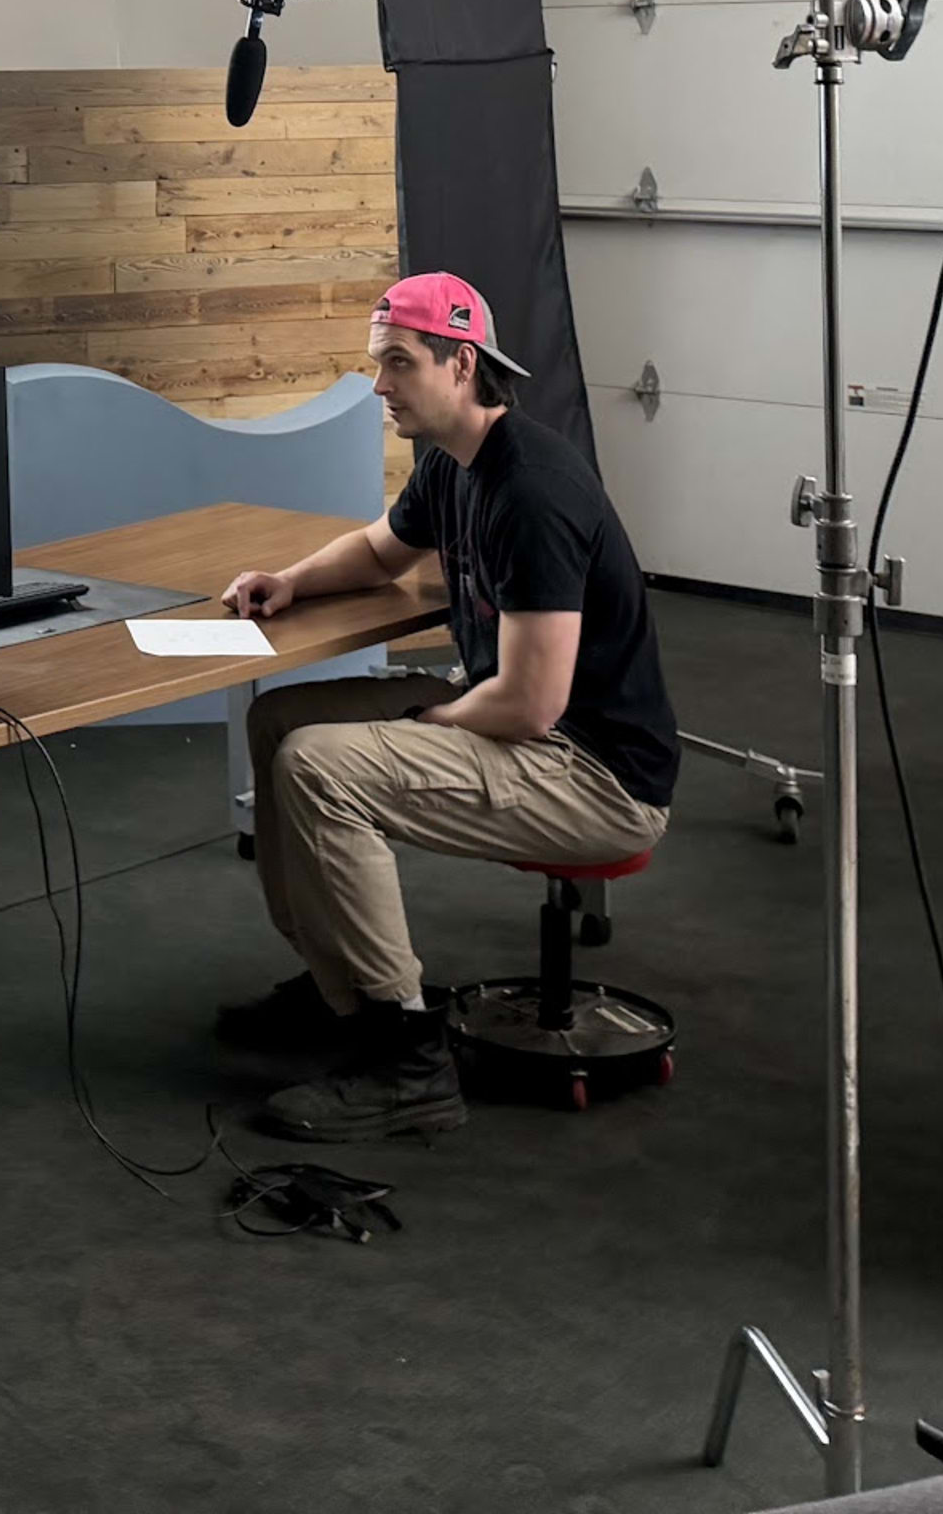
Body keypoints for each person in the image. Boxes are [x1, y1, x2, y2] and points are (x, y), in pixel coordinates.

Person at [214, 271, 679, 1141]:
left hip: (595, 778)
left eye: (397, 363)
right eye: (375, 363)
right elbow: (380, 552)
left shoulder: (530, 489)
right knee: (276, 720)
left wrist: (415, 728)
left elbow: (532, 704)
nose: (379, 385)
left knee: (321, 764)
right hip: (515, 717)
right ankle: (333, 988)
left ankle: (405, 1058)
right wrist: (290, 581)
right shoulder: (454, 464)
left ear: (462, 365)